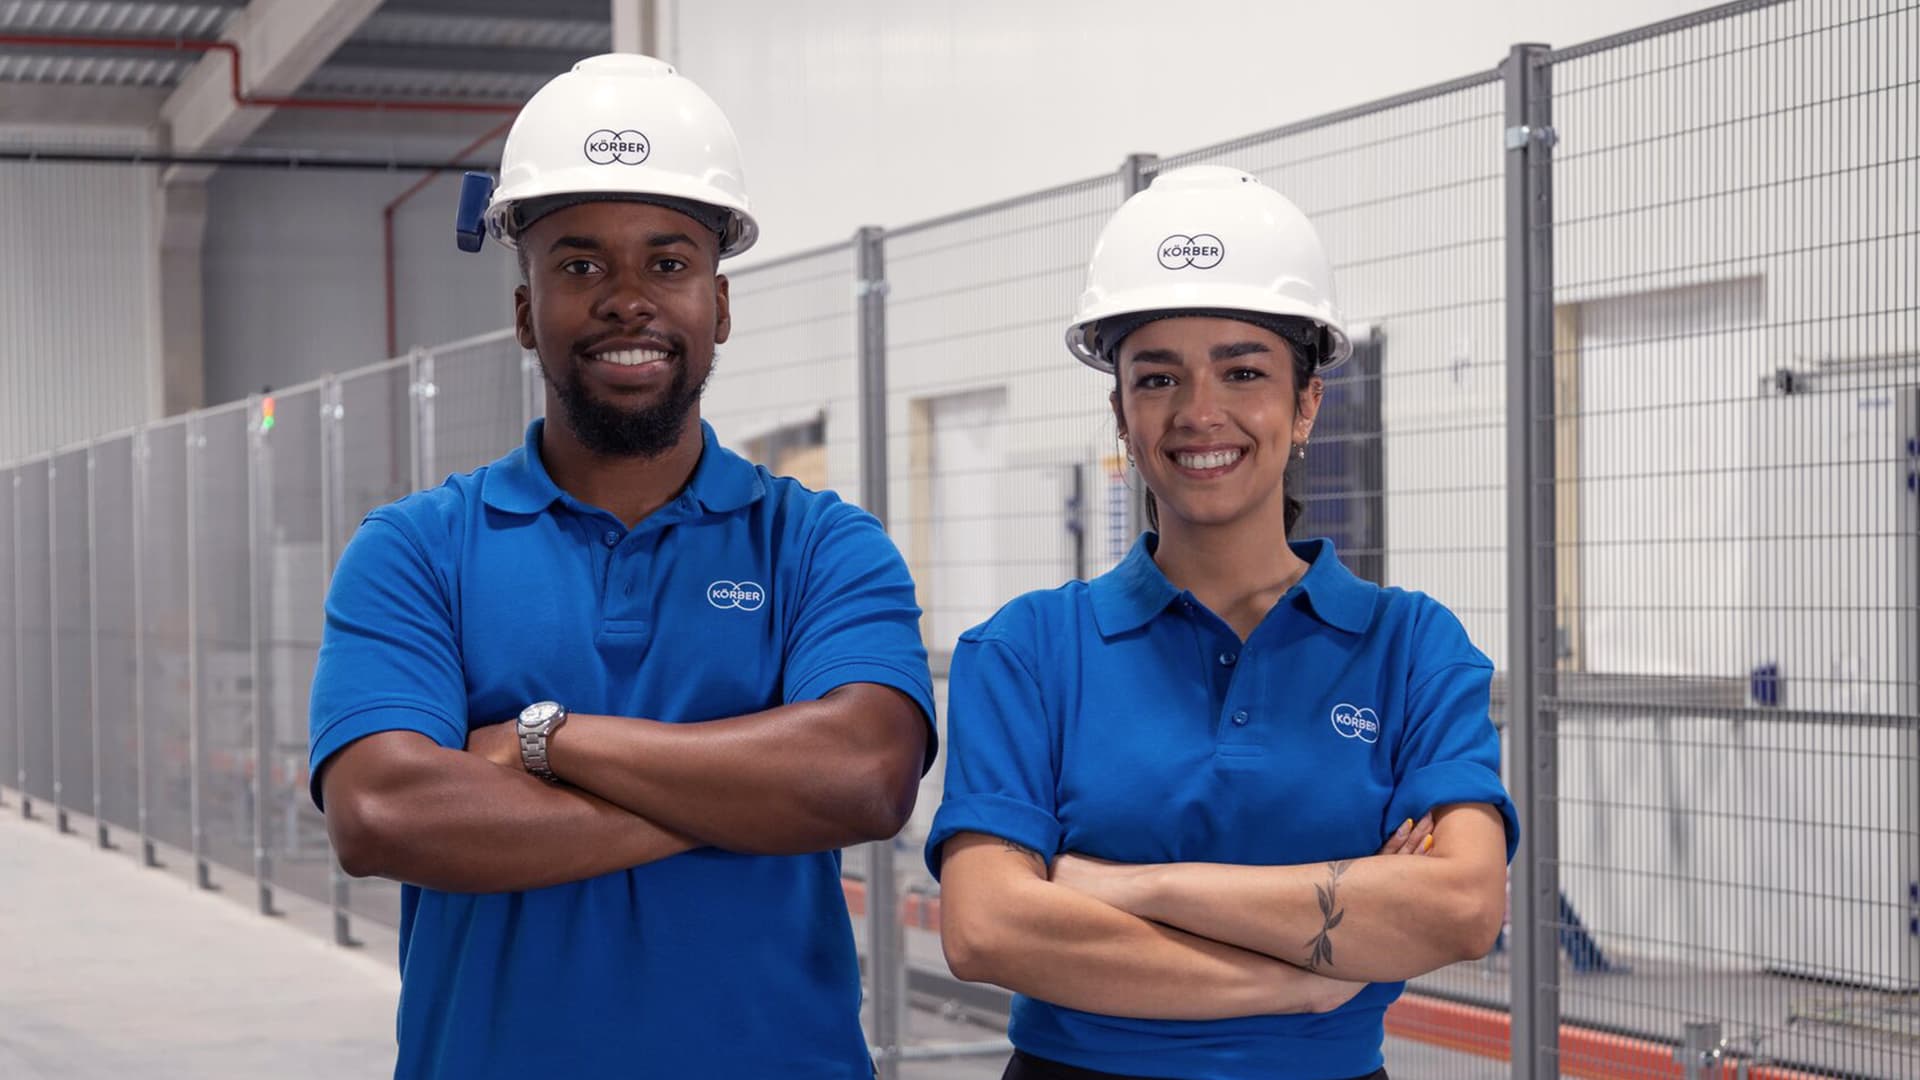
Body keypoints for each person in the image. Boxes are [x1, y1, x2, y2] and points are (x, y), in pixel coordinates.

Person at [308, 54, 935, 1079]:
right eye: (580, 265)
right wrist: (741, 803)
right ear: (525, 312)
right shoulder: (415, 549)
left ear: (720, 308)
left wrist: (546, 740)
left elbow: (864, 779)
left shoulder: (823, 545)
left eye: (670, 263)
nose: (628, 300)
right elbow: (382, 812)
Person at [925, 165, 1518, 1080]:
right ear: (1120, 410)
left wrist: (1122, 886)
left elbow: (1461, 909)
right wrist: (1310, 972)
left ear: (1307, 401)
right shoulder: (1028, 650)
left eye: (1243, 371)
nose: (1201, 413)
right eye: (1158, 377)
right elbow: (987, 927)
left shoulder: (1410, 648)